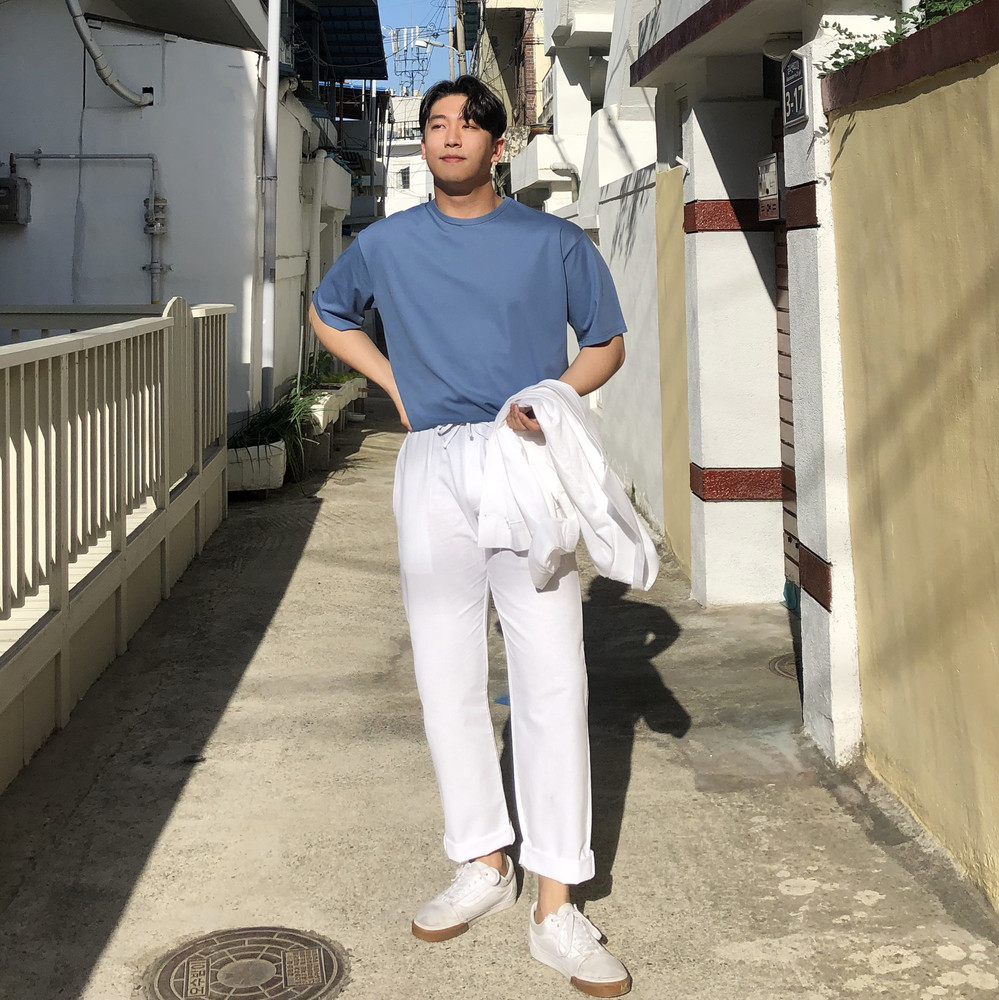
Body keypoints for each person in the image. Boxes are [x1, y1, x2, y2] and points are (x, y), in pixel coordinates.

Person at [309, 75, 632, 997]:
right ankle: (482, 860)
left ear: (499, 143)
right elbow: (328, 314)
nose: (450, 136)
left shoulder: (552, 241)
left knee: (553, 677)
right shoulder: (386, 243)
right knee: (444, 672)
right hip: (432, 466)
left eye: (469, 124)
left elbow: (606, 341)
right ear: (425, 143)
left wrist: (551, 395)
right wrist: (395, 386)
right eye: (436, 124)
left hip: (523, 458)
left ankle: (557, 902)